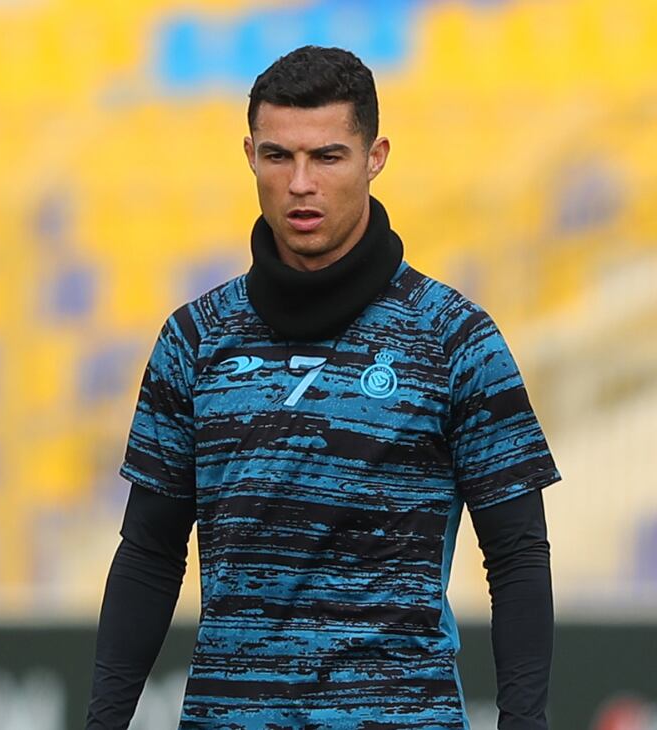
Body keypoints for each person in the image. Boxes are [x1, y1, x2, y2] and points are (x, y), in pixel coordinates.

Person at [85, 45, 559, 729]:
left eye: (328, 156)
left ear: (376, 156)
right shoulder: (195, 339)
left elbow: (517, 555)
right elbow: (149, 554)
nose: (301, 182)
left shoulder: (454, 337)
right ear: (249, 154)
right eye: (279, 156)